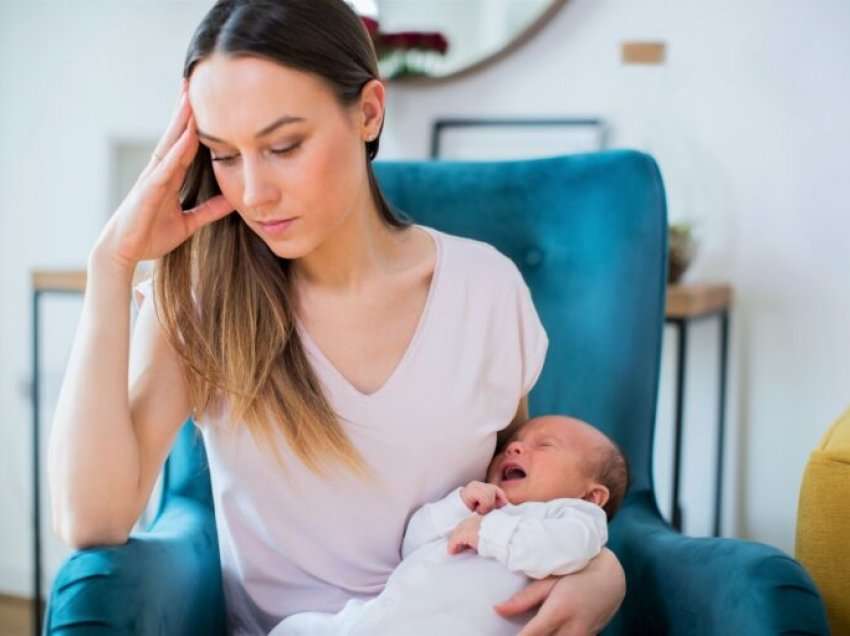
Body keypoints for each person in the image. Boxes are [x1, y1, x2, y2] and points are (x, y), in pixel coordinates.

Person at [46, 1, 626, 634]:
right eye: (224, 154)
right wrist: (112, 263)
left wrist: (604, 571)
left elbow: (519, 490)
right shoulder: (206, 301)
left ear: (369, 112)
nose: (254, 193)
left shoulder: (486, 290)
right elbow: (93, 520)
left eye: (284, 145)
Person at [269, 415, 629, 635]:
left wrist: (487, 533)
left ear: (591, 495)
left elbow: (563, 548)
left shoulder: (576, 518)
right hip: (383, 620)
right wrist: (457, 507)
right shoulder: (485, 508)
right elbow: (414, 545)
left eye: (544, 445)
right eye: (511, 446)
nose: (515, 450)